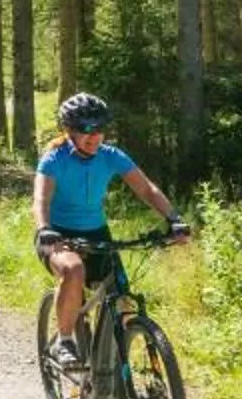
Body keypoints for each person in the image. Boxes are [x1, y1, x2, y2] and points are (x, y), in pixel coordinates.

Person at [34, 92, 185, 371]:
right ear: (69, 131)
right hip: (57, 235)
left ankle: (118, 366)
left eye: (100, 129)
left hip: (97, 234)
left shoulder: (111, 156)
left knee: (123, 302)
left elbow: (146, 189)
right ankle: (65, 341)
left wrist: (174, 219)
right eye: (86, 131)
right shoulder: (54, 159)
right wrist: (44, 228)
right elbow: (41, 199)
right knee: (74, 270)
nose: (94, 137)